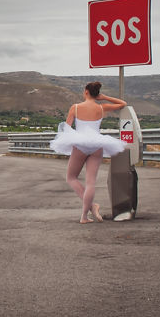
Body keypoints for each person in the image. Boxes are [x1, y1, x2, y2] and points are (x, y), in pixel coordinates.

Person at [50, 81, 127, 224]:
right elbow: (123, 103)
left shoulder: (76, 108)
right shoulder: (101, 108)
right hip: (97, 144)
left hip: (80, 144)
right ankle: (85, 214)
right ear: (97, 94)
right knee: (91, 182)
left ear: (86, 92)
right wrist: (104, 97)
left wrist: (71, 140)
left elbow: (66, 128)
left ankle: (90, 210)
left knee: (71, 177)